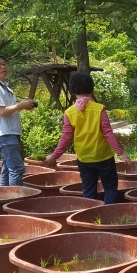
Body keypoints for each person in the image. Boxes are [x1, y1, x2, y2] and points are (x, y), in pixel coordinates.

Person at [45, 73, 129, 204]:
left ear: (73, 90)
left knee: (89, 191)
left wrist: (54, 156)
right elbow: (108, 133)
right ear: (91, 88)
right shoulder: (99, 109)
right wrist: (121, 153)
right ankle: (108, 215)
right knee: (110, 188)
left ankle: (90, 219)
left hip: (84, 158)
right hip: (103, 157)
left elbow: (66, 137)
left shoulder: (69, 112)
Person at [0, 52, 35, 186]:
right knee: (17, 168)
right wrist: (20, 105)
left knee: (7, 169)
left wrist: (22, 106)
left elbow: (10, 108)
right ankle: (16, 201)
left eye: (4, 64)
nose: (3, 67)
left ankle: (4, 199)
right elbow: (1, 112)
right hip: (4, 133)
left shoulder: (4, 86)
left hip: (11, 132)